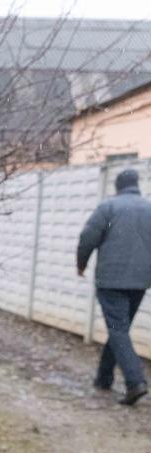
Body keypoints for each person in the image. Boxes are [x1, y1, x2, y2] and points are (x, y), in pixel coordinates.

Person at [77, 168, 151, 406]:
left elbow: (88, 237)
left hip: (111, 280)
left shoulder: (108, 207)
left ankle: (135, 382)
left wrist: (81, 264)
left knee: (118, 329)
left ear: (118, 186)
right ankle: (104, 378)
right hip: (140, 281)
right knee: (120, 328)